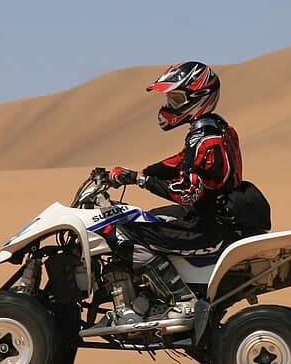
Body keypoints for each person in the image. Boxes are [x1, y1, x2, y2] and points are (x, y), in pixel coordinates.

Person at [104, 61, 245, 308]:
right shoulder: (212, 126)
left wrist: (142, 180)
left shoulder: (204, 136)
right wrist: (138, 173)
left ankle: (179, 298)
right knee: (149, 218)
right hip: (216, 214)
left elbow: (189, 192)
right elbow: (181, 161)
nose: (170, 106)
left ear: (199, 98)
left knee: (123, 232)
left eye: (177, 99)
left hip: (209, 223)